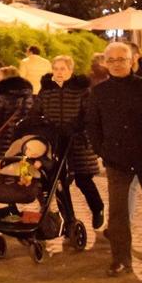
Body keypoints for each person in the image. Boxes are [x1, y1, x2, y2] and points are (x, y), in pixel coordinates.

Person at [85, 42, 142, 276]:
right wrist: (102, 151)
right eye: (112, 60)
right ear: (106, 63)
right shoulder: (99, 91)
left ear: (132, 60)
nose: (117, 64)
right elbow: (93, 126)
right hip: (118, 159)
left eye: (121, 59)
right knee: (118, 212)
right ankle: (121, 257)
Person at [33, 55, 105, 230]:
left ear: (70, 71)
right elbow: (36, 111)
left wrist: (74, 127)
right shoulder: (47, 90)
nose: (58, 72)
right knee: (59, 182)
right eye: (56, 69)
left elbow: (88, 114)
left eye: (62, 69)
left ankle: (98, 209)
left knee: (83, 179)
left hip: (77, 141)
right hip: (55, 142)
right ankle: (69, 219)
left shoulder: (81, 90)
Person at [0, 68, 35, 162]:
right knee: (21, 162)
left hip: (5, 134)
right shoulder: (27, 93)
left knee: (6, 163)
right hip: (23, 134)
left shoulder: (1, 93)